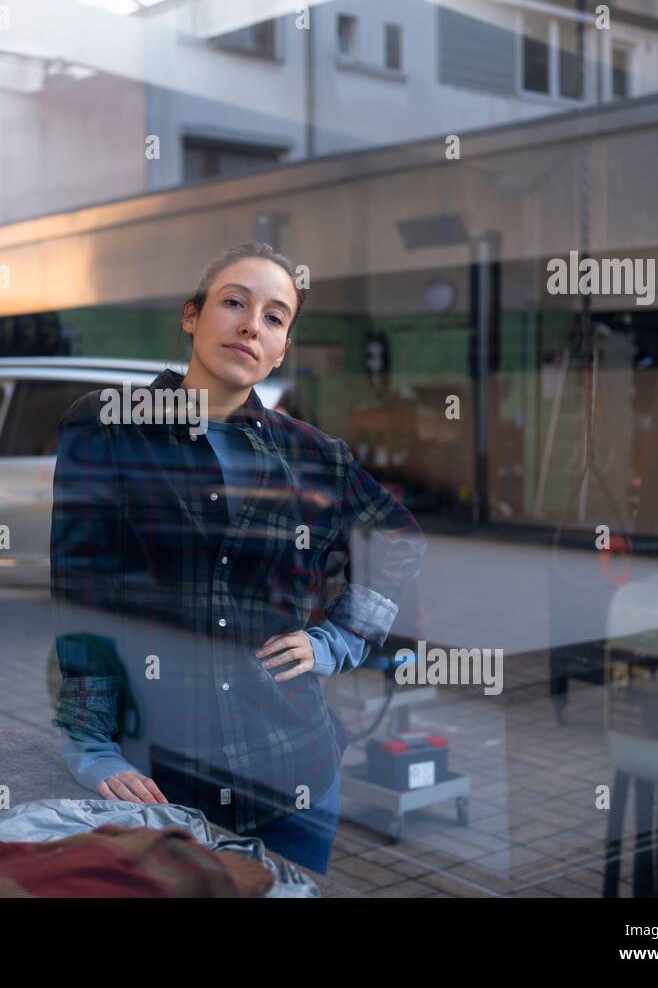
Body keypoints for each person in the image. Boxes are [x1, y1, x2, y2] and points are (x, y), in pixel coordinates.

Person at [49, 242, 425, 876]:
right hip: (160, 779)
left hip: (295, 774)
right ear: (192, 317)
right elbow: (83, 590)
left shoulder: (313, 455)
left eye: (275, 317)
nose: (253, 323)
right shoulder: (107, 429)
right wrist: (90, 744)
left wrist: (340, 639)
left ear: (280, 348)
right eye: (234, 302)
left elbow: (398, 538)